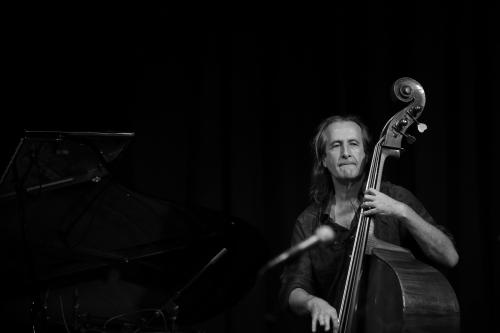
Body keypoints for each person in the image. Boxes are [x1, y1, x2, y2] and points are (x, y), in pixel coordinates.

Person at [279, 115, 458, 333]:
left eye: (353, 144)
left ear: (366, 155)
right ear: (324, 159)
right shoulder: (308, 221)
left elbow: (449, 256)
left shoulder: (395, 197)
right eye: (336, 145)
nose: (346, 153)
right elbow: (294, 286)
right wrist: (312, 302)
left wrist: (402, 211)